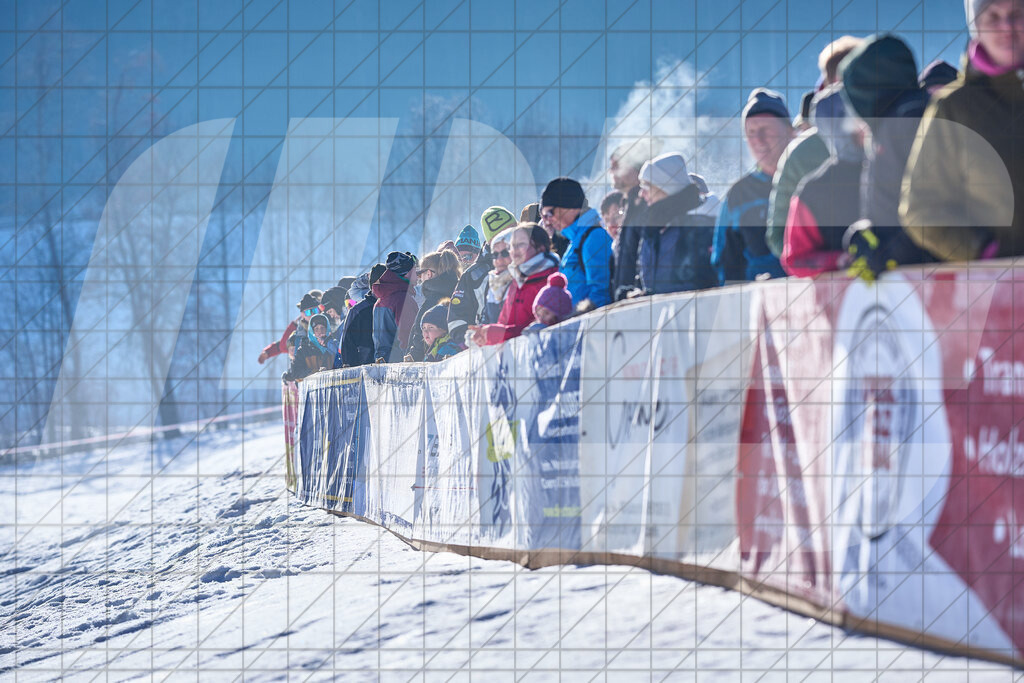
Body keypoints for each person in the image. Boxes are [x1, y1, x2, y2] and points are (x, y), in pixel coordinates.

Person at [901, 0, 1024, 262]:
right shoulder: (954, 108)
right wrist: (982, 250)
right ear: (976, 27)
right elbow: (920, 210)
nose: (1007, 26)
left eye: (1016, 14)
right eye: (993, 17)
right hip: (998, 290)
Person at [839, 34, 937, 279]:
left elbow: (937, 199)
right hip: (910, 272)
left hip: (928, 270)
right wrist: (869, 233)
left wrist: (894, 251)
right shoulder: (891, 122)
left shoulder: (909, 119)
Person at [766, 37, 863, 257]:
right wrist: (835, 261)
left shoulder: (892, 136)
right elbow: (780, 237)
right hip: (831, 283)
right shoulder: (801, 154)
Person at [781, 87, 865, 277]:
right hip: (845, 298)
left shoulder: (891, 166)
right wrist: (837, 259)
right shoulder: (813, 191)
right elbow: (795, 259)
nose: (863, 126)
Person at [712, 88, 793, 284]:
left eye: (766, 130)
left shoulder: (813, 178)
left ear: (790, 131)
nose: (758, 140)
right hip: (760, 306)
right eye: (751, 133)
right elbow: (725, 262)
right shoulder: (739, 194)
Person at [634, 153, 718, 295]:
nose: (641, 194)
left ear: (667, 187)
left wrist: (653, 296)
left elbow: (702, 284)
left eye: (647, 186)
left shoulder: (700, 227)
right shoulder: (655, 228)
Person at [468, 224, 560, 346]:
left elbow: (544, 329)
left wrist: (498, 333)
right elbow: (504, 323)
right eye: (512, 246)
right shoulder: (517, 281)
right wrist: (485, 334)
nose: (515, 250)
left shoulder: (551, 278)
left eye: (521, 244)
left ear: (541, 247)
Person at [447, 208, 518, 345]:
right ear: (492, 240)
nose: (511, 238)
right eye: (504, 235)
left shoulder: (527, 259)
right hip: (487, 351)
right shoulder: (473, 275)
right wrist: (472, 341)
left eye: (514, 232)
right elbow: (456, 320)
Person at [540, 177, 613, 308]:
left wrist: (579, 317)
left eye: (550, 213)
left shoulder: (594, 237)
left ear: (570, 207)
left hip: (586, 323)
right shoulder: (575, 241)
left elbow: (601, 293)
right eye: (544, 215)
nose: (548, 220)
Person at [608, 139, 662, 299]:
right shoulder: (628, 206)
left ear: (637, 168)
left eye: (617, 165)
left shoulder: (647, 206)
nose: (611, 171)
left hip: (640, 302)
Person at [405, 250, 461, 362]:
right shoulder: (461, 294)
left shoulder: (431, 303)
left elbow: (419, 338)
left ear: (429, 274)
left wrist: (411, 359)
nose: (420, 278)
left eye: (421, 273)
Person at [372, 251, 419, 363]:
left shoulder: (381, 300)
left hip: (385, 362)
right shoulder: (402, 299)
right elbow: (407, 336)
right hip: (401, 364)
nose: (417, 274)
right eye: (414, 270)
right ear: (406, 273)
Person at [336, 265, 384, 368]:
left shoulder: (393, 305)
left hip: (390, 368)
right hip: (364, 369)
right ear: (375, 285)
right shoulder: (358, 311)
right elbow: (348, 344)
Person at [257, 289, 321, 365]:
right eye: (308, 311)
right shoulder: (301, 327)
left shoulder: (326, 321)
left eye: (315, 310)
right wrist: (268, 352)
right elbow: (284, 345)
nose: (312, 313)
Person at [282, 312, 332, 381]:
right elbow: (296, 372)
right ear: (312, 331)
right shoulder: (304, 351)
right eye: (316, 329)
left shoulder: (334, 347)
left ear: (327, 329)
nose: (320, 331)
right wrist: (313, 373)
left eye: (322, 328)